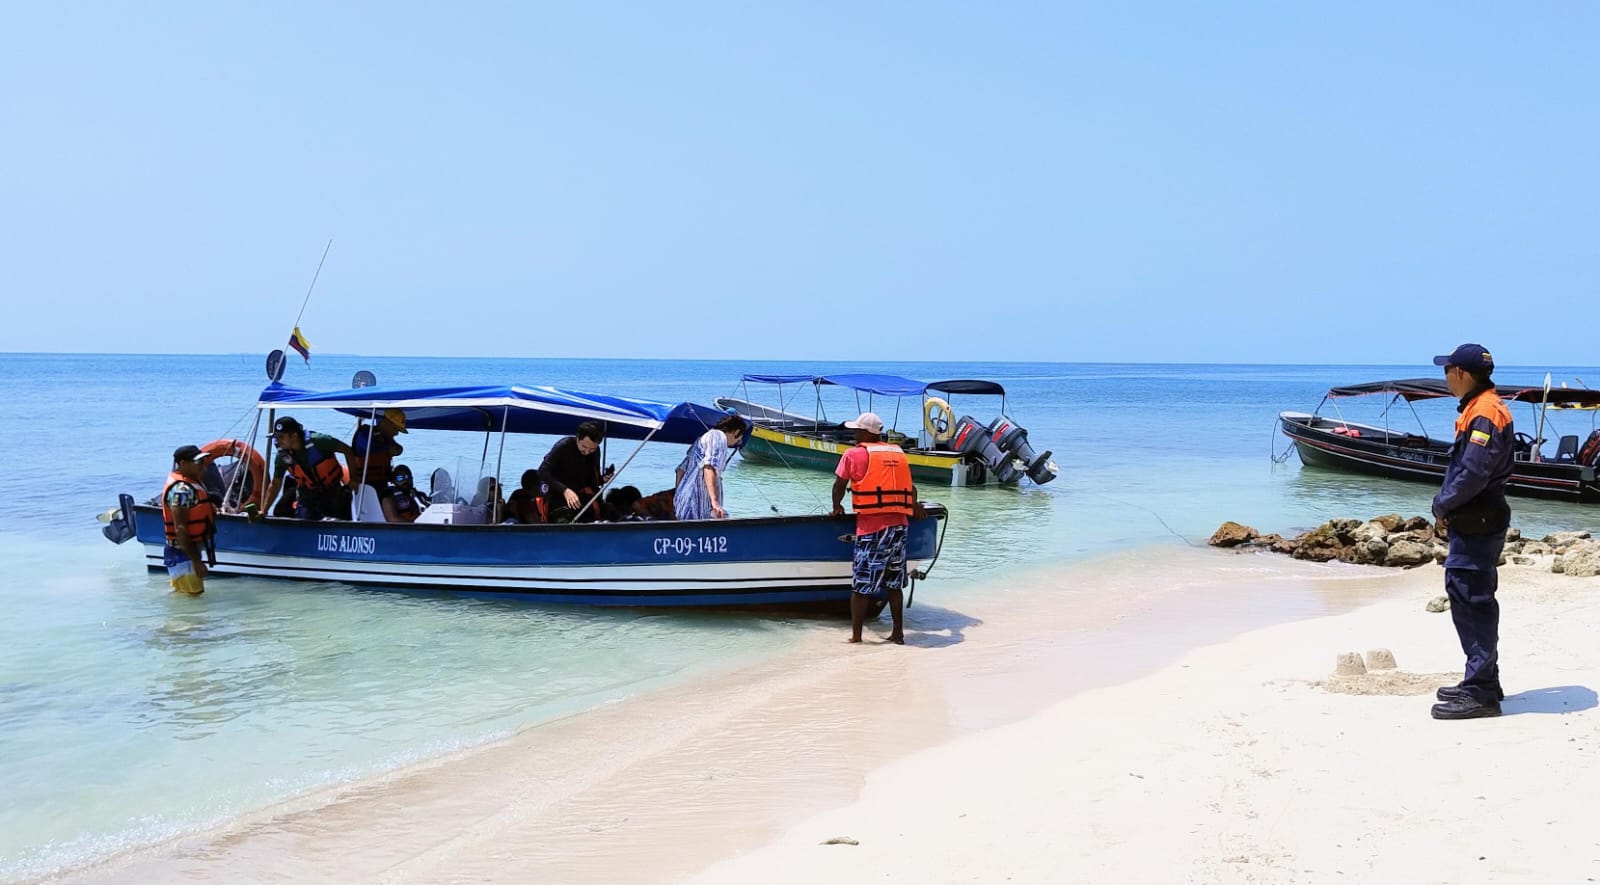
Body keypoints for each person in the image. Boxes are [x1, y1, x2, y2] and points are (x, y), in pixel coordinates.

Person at [1430, 343, 1515, 720]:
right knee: (1470, 594)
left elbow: (1473, 473)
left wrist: (1442, 503)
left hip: (1477, 517)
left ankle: (1480, 692)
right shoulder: (1480, 408)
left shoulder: (1484, 412)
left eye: (1447, 370)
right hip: (1478, 516)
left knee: (1471, 597)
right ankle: (1484, 680)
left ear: (1461, 373)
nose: (1445, 377)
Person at [831, 411, 922, 645]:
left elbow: (840, 484)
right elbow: (910, 489)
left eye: (856, 430)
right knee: (893, 583)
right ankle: (898, 634)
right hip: (900, 528)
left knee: (861, 585)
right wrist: (915, 507)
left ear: (865, 432)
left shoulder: (853, 454)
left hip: (872, 529)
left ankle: (857, 637)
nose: (853, 433)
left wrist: (837, 506)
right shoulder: (897, 453)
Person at [263, 416, 354, 521]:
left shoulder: (320, 441)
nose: (277, 441)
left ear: (294, 436)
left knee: (334, 519)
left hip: (333, 493)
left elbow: (347, 450)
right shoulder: (282, 457)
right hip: (306, 498)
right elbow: (275, 483)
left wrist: (354, 477)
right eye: (276, 438)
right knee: (303, 519)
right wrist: (264, 510)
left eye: (281, 437)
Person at [162, 445, 217, 596]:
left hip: (187, 552)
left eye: (202, 461)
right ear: (183, 464)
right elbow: (180, 529)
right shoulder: (181, 490)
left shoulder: (192, 483)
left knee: (186, 598)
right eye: (197, 462)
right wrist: (196, 562)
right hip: (182, 553)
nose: (202, 465)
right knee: (193, 598)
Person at [538, 421, 614, 523]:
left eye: (592, 448)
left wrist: (603, 479)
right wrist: (565, 490)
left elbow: (591, 481)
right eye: (584, 447)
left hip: (581, 497)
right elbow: (542, 472)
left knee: (608, 514)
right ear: (578, 438)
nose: (587, 452)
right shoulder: (564, 446)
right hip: (557, 495)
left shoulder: (595, 451)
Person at [673, 414, 746, 520]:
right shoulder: (718, 437)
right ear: (736, 432)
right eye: (739, 439)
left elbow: (680, 470)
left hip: (684, 503)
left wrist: (678, 496)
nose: (736, 443)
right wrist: (715, 502)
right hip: (698, 504)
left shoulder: (701, 440)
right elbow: (709, 467)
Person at [348, 409, 407, 521]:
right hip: (366, 487)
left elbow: (399, 450)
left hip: (382, 485)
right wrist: (387, 444)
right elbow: (372, 447)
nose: (396, 433)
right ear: (385, 422)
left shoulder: (386, 438)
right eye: (395, 428)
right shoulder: (365, 433)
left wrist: (388, 441)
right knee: (390, 513)